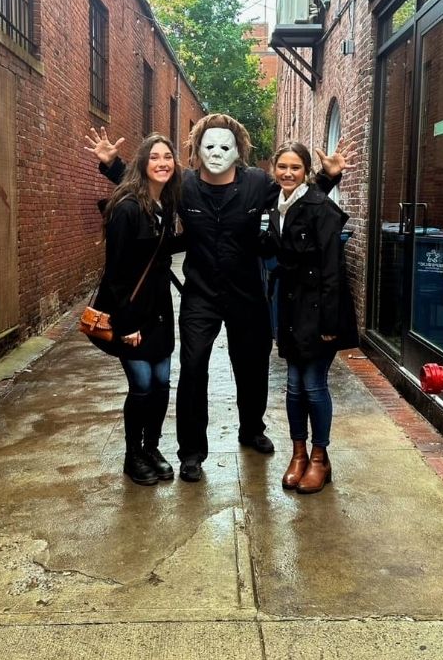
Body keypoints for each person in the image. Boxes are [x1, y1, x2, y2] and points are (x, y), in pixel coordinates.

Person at [86, 115, 351, 483]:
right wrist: (112, 164)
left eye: (225, 146)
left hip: (246, 292)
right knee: (193, 370)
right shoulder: (185, 185)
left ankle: (252, 427)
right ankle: (191, 452)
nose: (216, 153)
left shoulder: (258, 183)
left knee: (252, 364)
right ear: (196, 149)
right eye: (208, 146)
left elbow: (297, 197)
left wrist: (328, 177)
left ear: (238, 150)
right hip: (200, 294)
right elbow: (147, 184)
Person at [85, 133, 182, 486]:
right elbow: (115, 273)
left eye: (168, 157)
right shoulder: (126, 207)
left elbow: (163, 247)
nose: (162, 163)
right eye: (154, 157)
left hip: (160, 310)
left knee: (160, 385)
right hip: (132, 314)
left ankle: (152, 448)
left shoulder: (164, 204)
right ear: (142, 164)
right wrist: (126, 324)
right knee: (141, 386)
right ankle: (132, 455)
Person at [265, 141, 358, 494]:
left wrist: (330, 325)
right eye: (282, 166)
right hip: (290, 308)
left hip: (320, 311)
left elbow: (333, 270)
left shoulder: (321, 208)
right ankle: (299, 454)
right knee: (293, 386)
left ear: (306, 172)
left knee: (313, 385)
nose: (288, 173)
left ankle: (319, 457)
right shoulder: (277, 205)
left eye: (295, 168)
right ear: (274, 169)